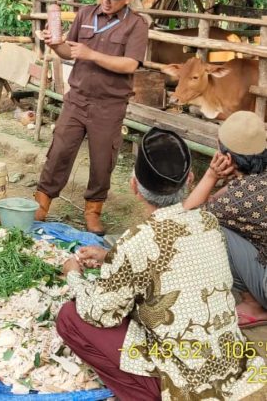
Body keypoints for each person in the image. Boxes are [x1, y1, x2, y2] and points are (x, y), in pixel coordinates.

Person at [56, 127, 265, 400]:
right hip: (230, 362)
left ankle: (149, 393)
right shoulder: (209, 223)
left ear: (134, 187)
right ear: (190, 179)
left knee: (70, 317)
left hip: (187, 375)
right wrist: (111, 256)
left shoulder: (138, 240)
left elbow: (99, 313)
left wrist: (73, 275)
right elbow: (170, 253)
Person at [34, 0, 148, 234]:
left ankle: (93, 211)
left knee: (101, 160)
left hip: (109, 104)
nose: (106, 0)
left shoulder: (136, 25)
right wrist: (55, 44)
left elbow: (130, 64)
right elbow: (69, 50)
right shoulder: (86, 14)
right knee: (60, 150)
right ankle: (42, 202)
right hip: (77, 99)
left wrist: (92, 54)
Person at [184, 110, 267, 329]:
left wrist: (211, 176)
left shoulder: (243, 196)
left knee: (211, 230)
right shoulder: (255, 183)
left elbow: (186, 218)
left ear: (227, 158)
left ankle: (255, 305)